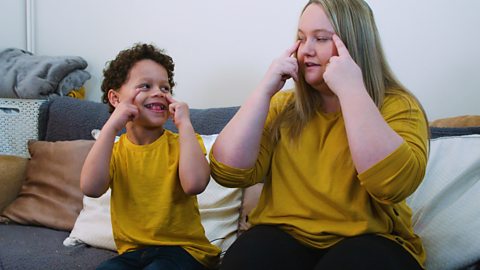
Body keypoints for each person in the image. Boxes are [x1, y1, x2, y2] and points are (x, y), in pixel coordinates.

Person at [209, 0, 429, 269]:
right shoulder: (282, 107)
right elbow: (227, 172)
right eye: (301, 39)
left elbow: (392, 185)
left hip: (372, 240)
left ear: (354, 45)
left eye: (321, 39)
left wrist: (351, 90)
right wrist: (263, 91)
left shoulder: (399, 106)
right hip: (282, 235)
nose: (305, 51)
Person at [80, 43, 220, 270]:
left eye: (165, 88)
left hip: (185, 251)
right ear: (115, 99)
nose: (158, 93)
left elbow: (194, 184)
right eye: (145, 86)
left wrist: (184, 123)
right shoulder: (114, 151)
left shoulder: (183, 144)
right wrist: (112, 126)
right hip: (133, 253)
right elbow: (90, 187)